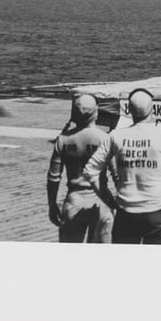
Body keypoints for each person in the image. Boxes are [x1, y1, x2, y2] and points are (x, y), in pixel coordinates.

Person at [83, 87, 161, 244]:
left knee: (126, 265)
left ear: (129, 111)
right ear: (152, 110)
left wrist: (107, 198)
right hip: (156, 211)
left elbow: (90, 170)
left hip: (125, 212)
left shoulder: (116, 136)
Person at [46, 93, 113, 243]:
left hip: (74, 201)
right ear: (96, 112)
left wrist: (52, 204)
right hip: (100, 201)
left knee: (70, 258)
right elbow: (117, 175)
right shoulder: (105, 139)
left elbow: (53, 177)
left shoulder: (63, 140)